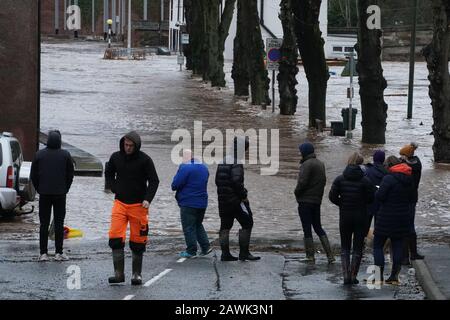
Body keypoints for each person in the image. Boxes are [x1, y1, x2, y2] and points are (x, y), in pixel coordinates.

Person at [105, 131, 159, 285]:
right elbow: (108, 173)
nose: (127, 148)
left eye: (130, 146)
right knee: (115, 237)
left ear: (136, 146)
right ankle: (118, 274)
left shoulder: (145, 160)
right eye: (125, 145)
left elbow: (154, 181)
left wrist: (148, 199)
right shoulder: (115, 157)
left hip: (139, 206)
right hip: (120, 204)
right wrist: (114, 187)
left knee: (138, 241)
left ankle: (136, 274)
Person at [329, 152, 376, 284]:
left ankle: (345, 276)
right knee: (357, 247)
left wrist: (342, 204)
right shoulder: (366, 181)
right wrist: (361, 204)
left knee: (345, 246)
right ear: (361, 164)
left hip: (345, 216)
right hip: (361, 216)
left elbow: (332, 197)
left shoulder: (339, 179)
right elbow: (371, 198)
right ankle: (353, 276)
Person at [31, 130, 74, 262]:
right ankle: (58, 252)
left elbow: (34, 175)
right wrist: (65, 189)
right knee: (59, 223)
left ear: (48, 141)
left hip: (44, 194)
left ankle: (43, 253)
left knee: (43, 224)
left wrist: (39, 189)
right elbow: (70, 175)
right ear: (59, 141)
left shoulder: (39, 155)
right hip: (60, 194)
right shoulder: (66, 155)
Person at [373, 156, 417, 284]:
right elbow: (412, 198)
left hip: (386, 216)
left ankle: (378, 277)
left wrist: (378, 191)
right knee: (397, 245)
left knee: (377, 246)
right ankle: (394, 277)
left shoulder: (388, 178)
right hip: (403, 217)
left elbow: (379, 196)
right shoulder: (410, 179)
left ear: (389, 166)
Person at [215, 136, 260, 262]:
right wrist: (244, 195)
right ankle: (244, 253)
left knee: (225, 226)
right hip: (235, 201)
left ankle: (225, 254)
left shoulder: (223, 160)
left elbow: (217, 181)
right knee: (247, 223)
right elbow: (237, 182)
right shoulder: (236, 162)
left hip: (222, 200)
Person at [294, 142, 334, 264]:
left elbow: (302, 183)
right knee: (318, 227)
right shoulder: (320, 164)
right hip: (316, 201)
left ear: (305, 152)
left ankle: (310, 256)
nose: (299, 153)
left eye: (301, 151)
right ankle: (330, 255)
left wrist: (296, 192)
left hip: (305, 201)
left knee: (307, 228)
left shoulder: (306, 164)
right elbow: (323, 182)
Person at [171, 150, 211, 258]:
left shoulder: (185, 168)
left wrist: (180, 169)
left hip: (188, 202)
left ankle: (191, 251)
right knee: (198, 224)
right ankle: (206, 247)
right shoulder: (204, 168)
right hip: (202, 202)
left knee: (188, 227)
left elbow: (174, 185)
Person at [399, 142, 424, 264]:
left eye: (402, 155)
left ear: (405, 156)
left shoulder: (405, 166)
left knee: (404, 226)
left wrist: (402, 161)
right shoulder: (417, 162)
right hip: (413, 198)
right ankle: (413, 253)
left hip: (404, 199)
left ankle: (405, 257)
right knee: (410, 225)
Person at [361, 150, 389, 236]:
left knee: (364, 227)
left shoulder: (367, 170)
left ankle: (362, 244)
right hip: (381, 203)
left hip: (368, 202)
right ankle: (378, 245)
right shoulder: (387, 173)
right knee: (379, 228)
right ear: (383, 160)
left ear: (374, 158)